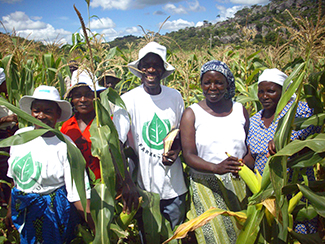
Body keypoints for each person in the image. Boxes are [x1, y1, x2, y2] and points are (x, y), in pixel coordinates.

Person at [113, 42, 188, 230]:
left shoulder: (175, 96)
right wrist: (127, 182)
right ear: (140, 69)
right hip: (143, 189)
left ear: (163, 70)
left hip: (175, 188)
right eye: (146, 64)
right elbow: (116, 144)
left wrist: (176, 151)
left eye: (156, 64)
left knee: (174, 236)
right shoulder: (127, 100)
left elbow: (181, 134)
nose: (151, 69)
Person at [5, 85, 93, 244]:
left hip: (52, 212)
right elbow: (15, 179)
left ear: (58, 114)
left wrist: (96, 227)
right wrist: (12, 208)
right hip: (23, 209)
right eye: (36, 110)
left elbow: (77, 191)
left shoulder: (66, 145)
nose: (41, 116)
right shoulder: (20, 137)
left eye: (48, 111)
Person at [179, 60, 249, 244]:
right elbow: (189, 155)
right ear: (200, 84)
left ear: (228, 84)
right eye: (206, 82)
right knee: (213, 236)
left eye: (218, 82)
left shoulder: (240, 110)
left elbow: (249, 148)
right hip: (206, 185)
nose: (212, 87)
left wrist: (245, 167)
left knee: (241, 233)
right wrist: (216, 168)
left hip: (238, 184)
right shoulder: (192, 113)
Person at [243, 68, 318, 234]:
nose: (264, 96)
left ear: (284, 91)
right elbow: (251, 156)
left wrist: (289, 143)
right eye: (261, 91)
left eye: (271, 91)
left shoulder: (298, 112)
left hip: (295, 189)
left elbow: (317, 133)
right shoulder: (254, 121)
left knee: (297, 232)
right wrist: (239, 165)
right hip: (266, 193)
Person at [61, 69, 138, 214]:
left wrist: (127, 181)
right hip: (80, 194)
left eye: (88, 95)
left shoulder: (106, 124)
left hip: (108, 191)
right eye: (77, 95)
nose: (83, 100)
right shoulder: (66, 128)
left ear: (96, 96)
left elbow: (118, 152)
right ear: (71, 98)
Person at [0, 68, 18, 206]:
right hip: (3, 139)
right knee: (5, 171)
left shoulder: (8, 97)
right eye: (5, 82)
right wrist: (6, 119)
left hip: (13, 136)